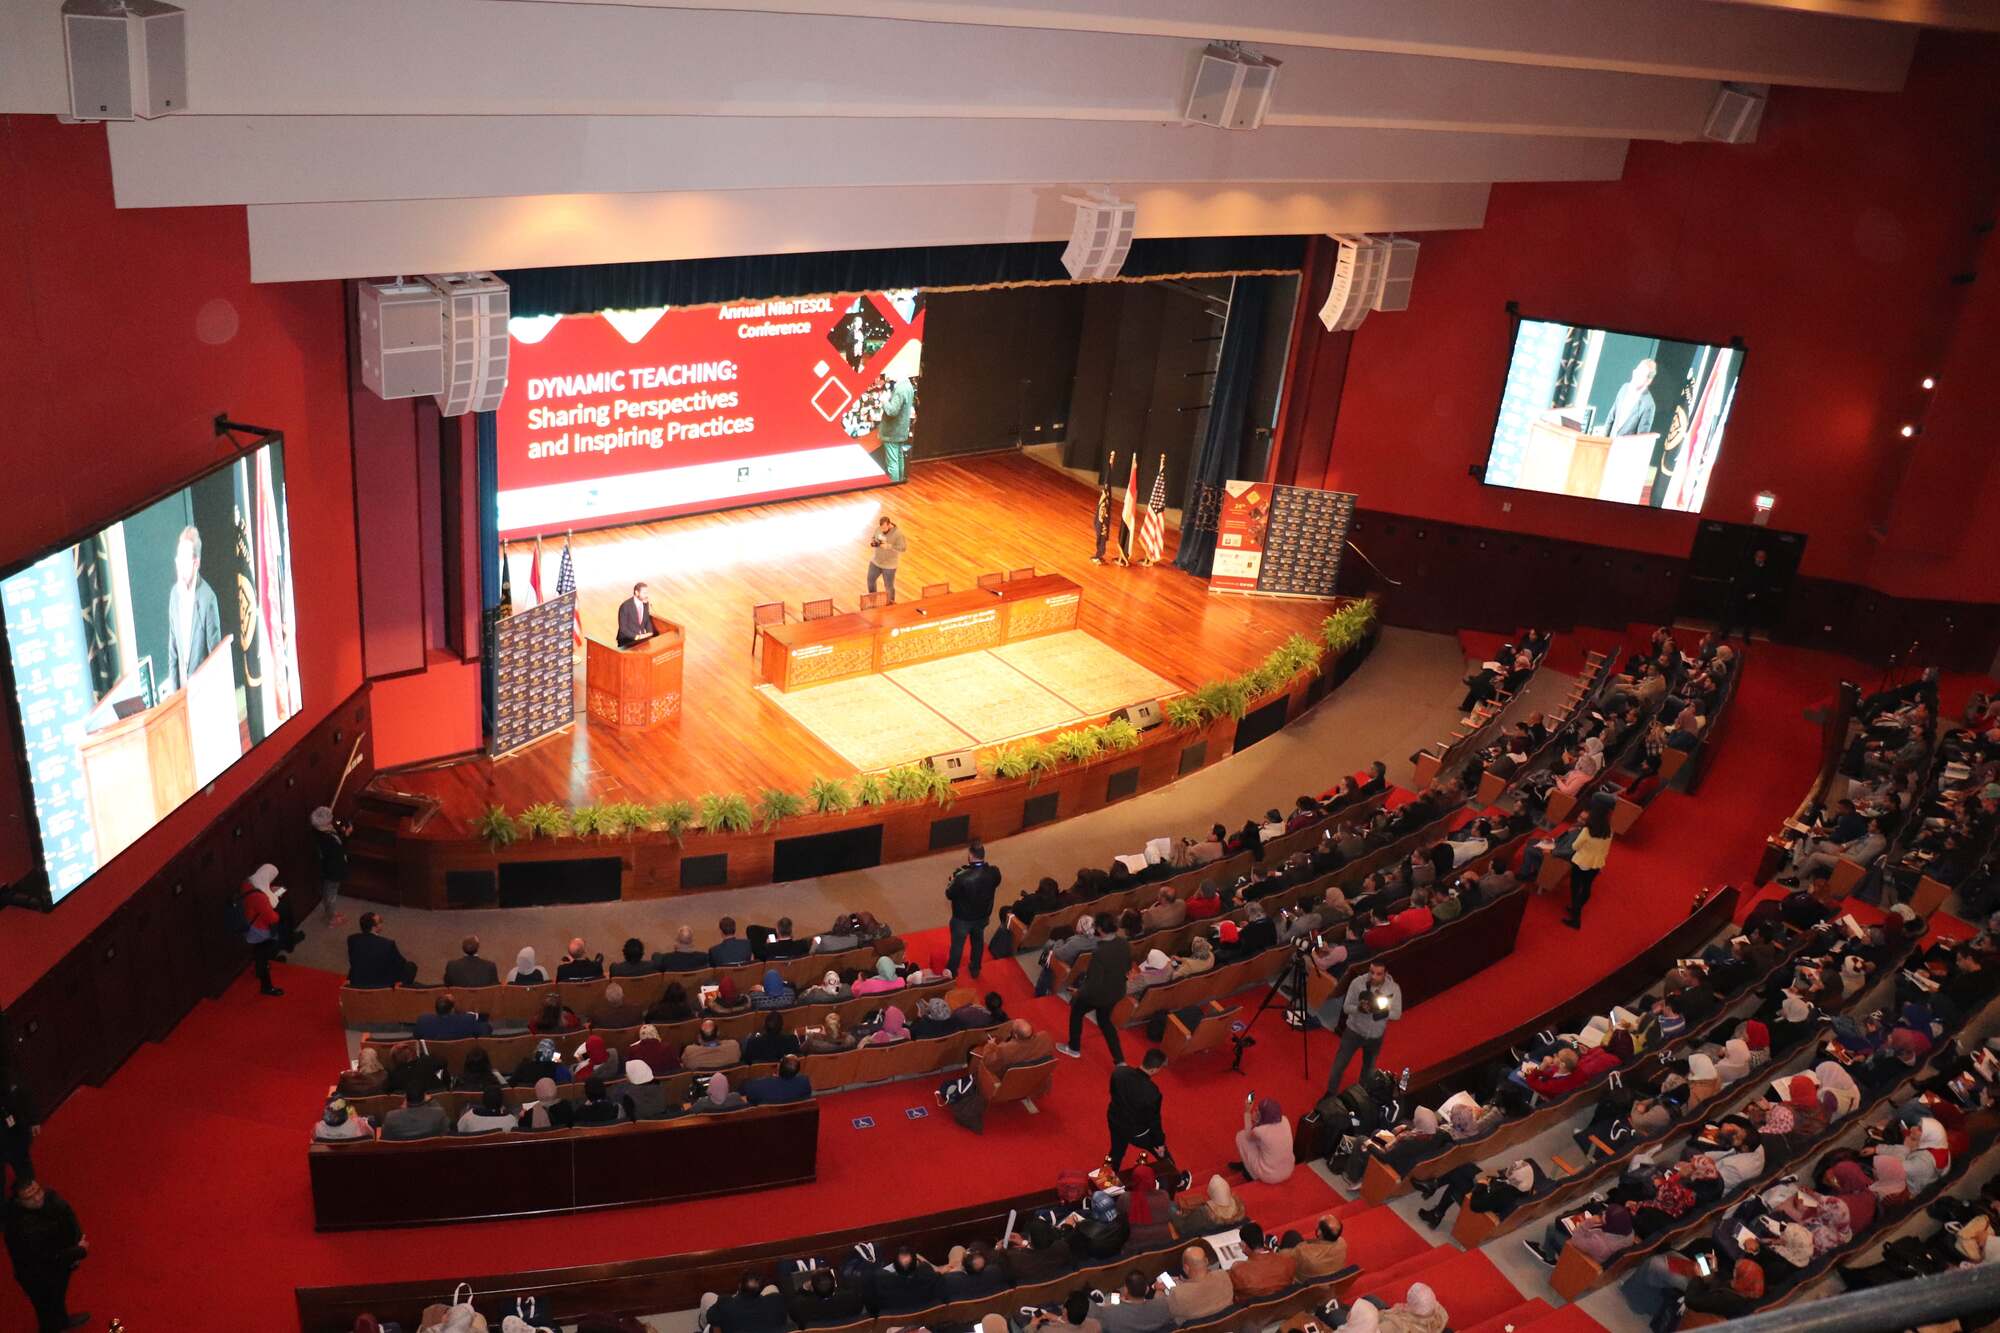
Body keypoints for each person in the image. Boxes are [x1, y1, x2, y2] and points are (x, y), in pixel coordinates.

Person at [5, 1177, 87, 1333]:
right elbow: (46, 1257)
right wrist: (79, 1251)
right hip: (38, 1276)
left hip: (60, 1264)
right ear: (19, 1201)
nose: (38, 1198)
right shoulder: (22, 1227)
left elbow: (68, 1214)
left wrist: (76, 1243)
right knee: (46, 1308)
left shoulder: (50, 1198)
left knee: (58, 1298)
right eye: (30, 1197)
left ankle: (62, 1322)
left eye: (38, 1191)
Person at [1325, 961, 1402, 1094]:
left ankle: (1361, 1095)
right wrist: (1359, 1009)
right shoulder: (1357, 983)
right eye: (1371, 972)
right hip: (1353, 1032)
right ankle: (1330, 1094)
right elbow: (1346, 1008)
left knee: (1368, 1069)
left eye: (1378, 974)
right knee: (1338, 1066)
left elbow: (1397, 1014)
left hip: (1375, 1036)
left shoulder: (1393, 989)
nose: (1373, 976)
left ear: (1385, 974)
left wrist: (1381, 1011)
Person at [1059, 916, 1128, 1065]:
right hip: (1116, 991)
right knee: (1105, 1022)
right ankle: (1120, 1060)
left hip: (1098, 994)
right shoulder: (1123, 943)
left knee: (1077, 1012)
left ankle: (1074, 1047)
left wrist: (1078, 992)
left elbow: (1093, 983)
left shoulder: (1099, 952)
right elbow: (1127, 967)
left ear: (1101, 930)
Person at [164, 523, 222, 693]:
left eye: (184, 560)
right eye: (178, 560)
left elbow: (215, 657)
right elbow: (173, 651)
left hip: (204, 693)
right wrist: (175, 695)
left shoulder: (207, 599)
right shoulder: (174, 595)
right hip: (183, 694)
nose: (179, 566)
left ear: (196, 563)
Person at [946, 840, 1001, 979]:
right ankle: (975, 968)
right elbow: (996, 883)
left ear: (970, 856)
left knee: (957, 946)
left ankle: (952, 972)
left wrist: (952, 880)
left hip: (962, 919)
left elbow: (949, 894)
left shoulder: (962, 878)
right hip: (982, 916)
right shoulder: (994, 872)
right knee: (978, 941)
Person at [1106, 1049, 1168, 1170]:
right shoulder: (1153, 1092)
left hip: (1115, 1120)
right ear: (1154, 1070)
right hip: (1136, 1131)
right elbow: (1154, 1121)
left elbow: (1113, 1093)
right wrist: (1159, 1142)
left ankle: (1107, 1183)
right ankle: (1177, 1179)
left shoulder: (1119, 1073)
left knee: (1116, 1152)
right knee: (1161, 1150)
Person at [237, 864, 288, 997]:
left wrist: (270, 890)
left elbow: (259, 893)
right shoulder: (260, 898)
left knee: (260, 950)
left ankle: (260, 966)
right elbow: (272, 918)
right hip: (260, 930)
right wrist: (277, 909)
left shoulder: (248, 883)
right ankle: (266, 986)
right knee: (264, 952)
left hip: (250, 924)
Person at [1565, 804, 1614, 929]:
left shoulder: (1587, 830)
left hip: (1582, 862)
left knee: (1575, 889)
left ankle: (1576, 917)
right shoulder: (1609, 830)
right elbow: (1606, 849)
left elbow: (1575, 846)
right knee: (1586, 887)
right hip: (1596, 864)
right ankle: (1577, 908)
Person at [1227, 1222, 1297, 1300]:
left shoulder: (1238, 1271)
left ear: (1243, 1245)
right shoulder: (1288, 1261)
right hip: (1284, 1307)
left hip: (1255, 1311)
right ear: (1263, 1238)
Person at [1234, 1094, 1295, 1184]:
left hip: (1270, 1176)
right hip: (1289, 1170)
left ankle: (1252, 1174)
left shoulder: (1260, 1131)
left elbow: (1248, 1136)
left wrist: (1247, 1112)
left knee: (1241, 1136)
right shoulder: (1285, 1120)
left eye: (1258, 1111)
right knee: (1262, 1143)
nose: (1255, 1112)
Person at [346, 912, 415, 989]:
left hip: (358, 981)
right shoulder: (388, 944)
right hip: (381, 985)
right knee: (411, 966)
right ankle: (400, 989)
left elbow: (353, 961)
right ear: (374, 927)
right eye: (380, 921)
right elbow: (401, 964)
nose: (382, 923)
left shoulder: (352, 939)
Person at [1164, 1245, 1233, 1322]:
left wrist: (1159, 1292)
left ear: (1186, 1268)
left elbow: (1171, 1315)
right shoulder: (1224, 1276)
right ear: (1206, 1261)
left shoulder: (1177, 1294)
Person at [310, 805, 350, 926]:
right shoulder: (325, 839)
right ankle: (331, 917)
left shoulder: (323, 831)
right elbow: (336, 851)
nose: (332, 819)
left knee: (331, 891)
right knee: (330, 893)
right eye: (330, 818)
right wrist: (346, 835)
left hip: (332, 867)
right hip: (332, 870)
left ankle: (331, 912)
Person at [379, 1086, 449, 1140]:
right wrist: (432, 1101)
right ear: (424, 1097)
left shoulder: (391, 1116)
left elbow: (385, 1139)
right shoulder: (438, 1113)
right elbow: (446, 1133)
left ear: (406, 1098)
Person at [865, 514, 907, 603]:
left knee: (888, 586)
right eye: (881, 528)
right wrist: (874, 541)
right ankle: (873, 602)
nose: (882, 530)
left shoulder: (898, 534)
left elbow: (903, 548)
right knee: (870, 580)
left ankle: (890, 604)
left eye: (884, 528)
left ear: (889, 524)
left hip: (889, 566)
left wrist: (889, 546)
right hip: (876, 561)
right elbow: (874, 536)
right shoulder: (879, 529)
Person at [415, 993, 490, 1041]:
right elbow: (485, 1031)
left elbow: (416, 1036)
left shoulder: (423, 1021)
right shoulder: (468, 1019)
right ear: (452, 1009)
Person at [743, 1055, 814, 1105]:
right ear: (797, 1072)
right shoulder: (804, 1082)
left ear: (779, 1068)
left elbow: (749, 1098)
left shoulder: (757, 1086)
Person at [616, 581, 656, 647]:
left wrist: (650, 632)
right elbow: (623, 628)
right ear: (637, 592)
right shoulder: (625, 606)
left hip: (641, 638)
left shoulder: (645, 603)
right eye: (644, 593)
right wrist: (637, 637)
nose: (647, 595)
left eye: (647, 593)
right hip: (627, 640)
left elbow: (647, 620)